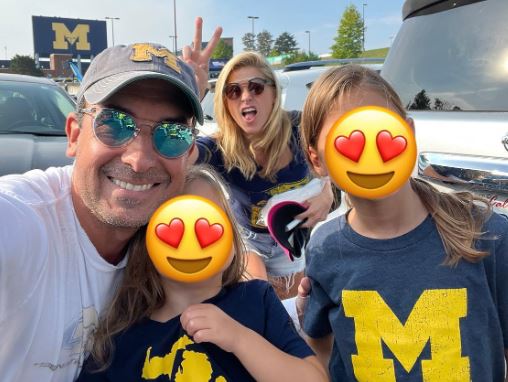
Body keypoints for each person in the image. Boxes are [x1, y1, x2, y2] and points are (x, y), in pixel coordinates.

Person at [0, 23, 221, 380]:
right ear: (73, 135)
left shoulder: (173, 239)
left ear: (190, 153)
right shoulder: (22, 221)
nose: (139, 160)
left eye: (171, 133)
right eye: (115, 124)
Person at [298, 65, 508, 380]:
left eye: (383, 134)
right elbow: (322, 348)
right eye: (349, 141)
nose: (371, 154)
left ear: (408, 133)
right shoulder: (325, 248)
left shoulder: (486, 234)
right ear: (317, 160)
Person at [76, 165, 328, 382]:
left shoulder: (255, 300)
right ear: (148, 241)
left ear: (231, 236)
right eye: (175, 226)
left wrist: (240, 340)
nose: (192, 240)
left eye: (208, 224)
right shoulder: (123, 339)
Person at [190, 51, 334, 299]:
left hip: (291, 236)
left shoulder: (300, 129)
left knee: (292, 308)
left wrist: (328, 193)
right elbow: (179, 157)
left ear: (274, 94)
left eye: (256, 87)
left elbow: (337, 161)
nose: (245, 96)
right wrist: (193, 95)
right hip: (248, 240)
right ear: (226, 102)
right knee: (260, 296)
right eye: (234, 91)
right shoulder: (219, 148)